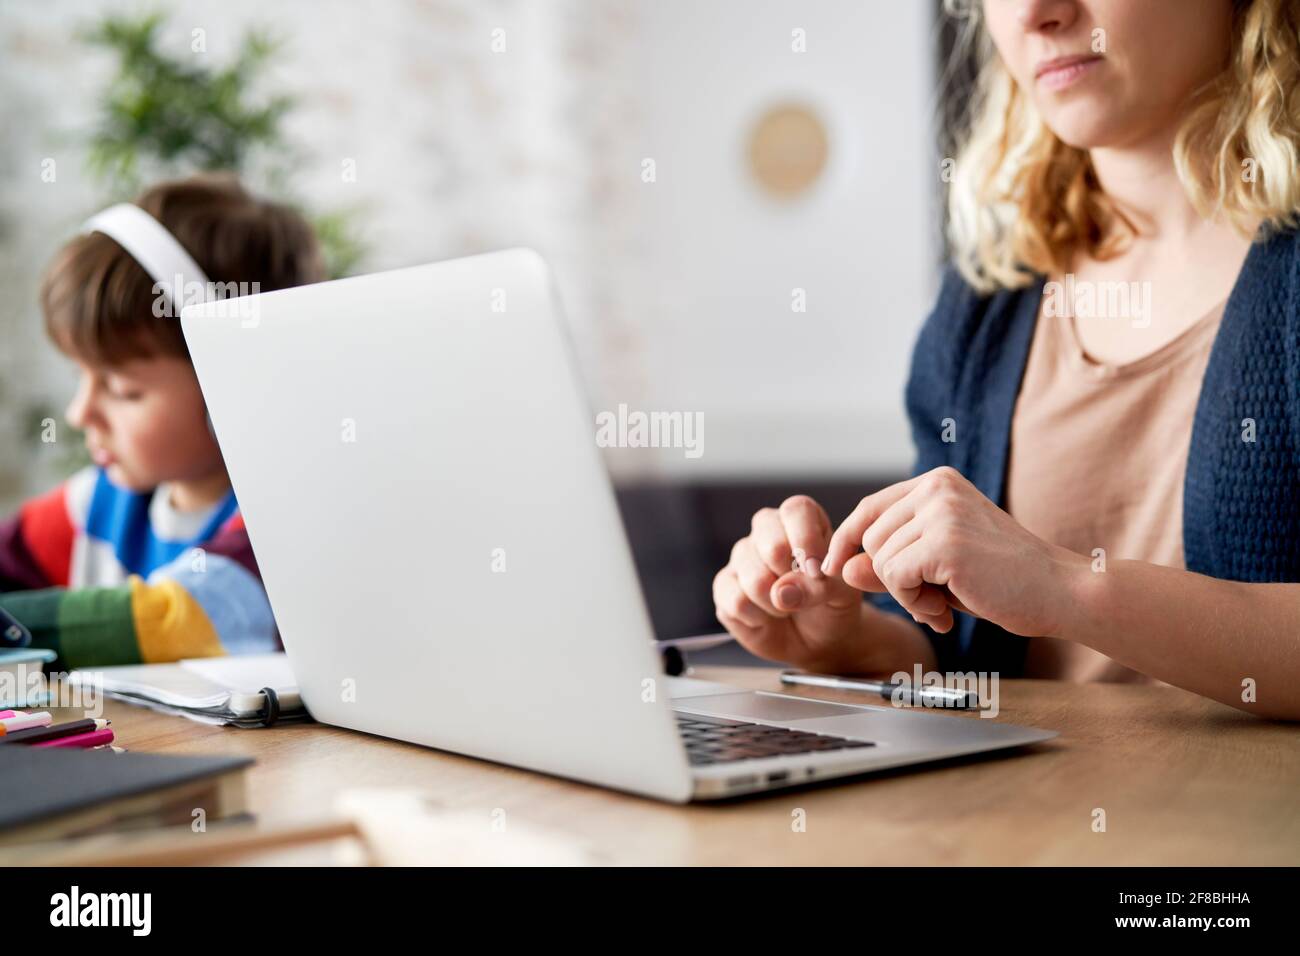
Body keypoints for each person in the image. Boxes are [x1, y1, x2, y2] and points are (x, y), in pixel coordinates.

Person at [713, 0, 1300, 719]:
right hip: (1026, 824)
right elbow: (972, 659)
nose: (1033, 13)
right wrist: (849, 641)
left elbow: (1049, 594)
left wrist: (1068, 587)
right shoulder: (992, 296)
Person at [0, 174, 323, 668]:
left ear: (230, 382)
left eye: (123, 389)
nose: (79, 412)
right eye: (80, 376)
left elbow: (183, 619)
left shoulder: (279, 517)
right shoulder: (94, 505)